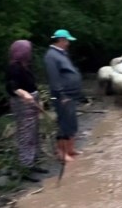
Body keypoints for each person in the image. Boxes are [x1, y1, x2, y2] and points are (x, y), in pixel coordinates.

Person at [5, 40, 49, 183]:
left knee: (34, 133)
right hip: (23, 104)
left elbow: (31, 84)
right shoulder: (14, 67)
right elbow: (12, 87)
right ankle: (25, 167)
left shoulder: (25, 66)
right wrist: (24, 94)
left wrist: (37, 98)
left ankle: (33, 162)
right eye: (27, 50)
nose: (29, 53)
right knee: (26, 135)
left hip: (32, 102)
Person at [43, 29, 83, 162]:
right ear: (60, 40)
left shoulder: (61, 53)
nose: (68, 43)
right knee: (64, 124)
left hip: (71, 94)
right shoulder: (51, 56)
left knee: (71, 122)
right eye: (67, 41)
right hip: (62, 96)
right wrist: (61, 95)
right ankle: (62, 153)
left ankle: (71, 149)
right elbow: (54, 78)